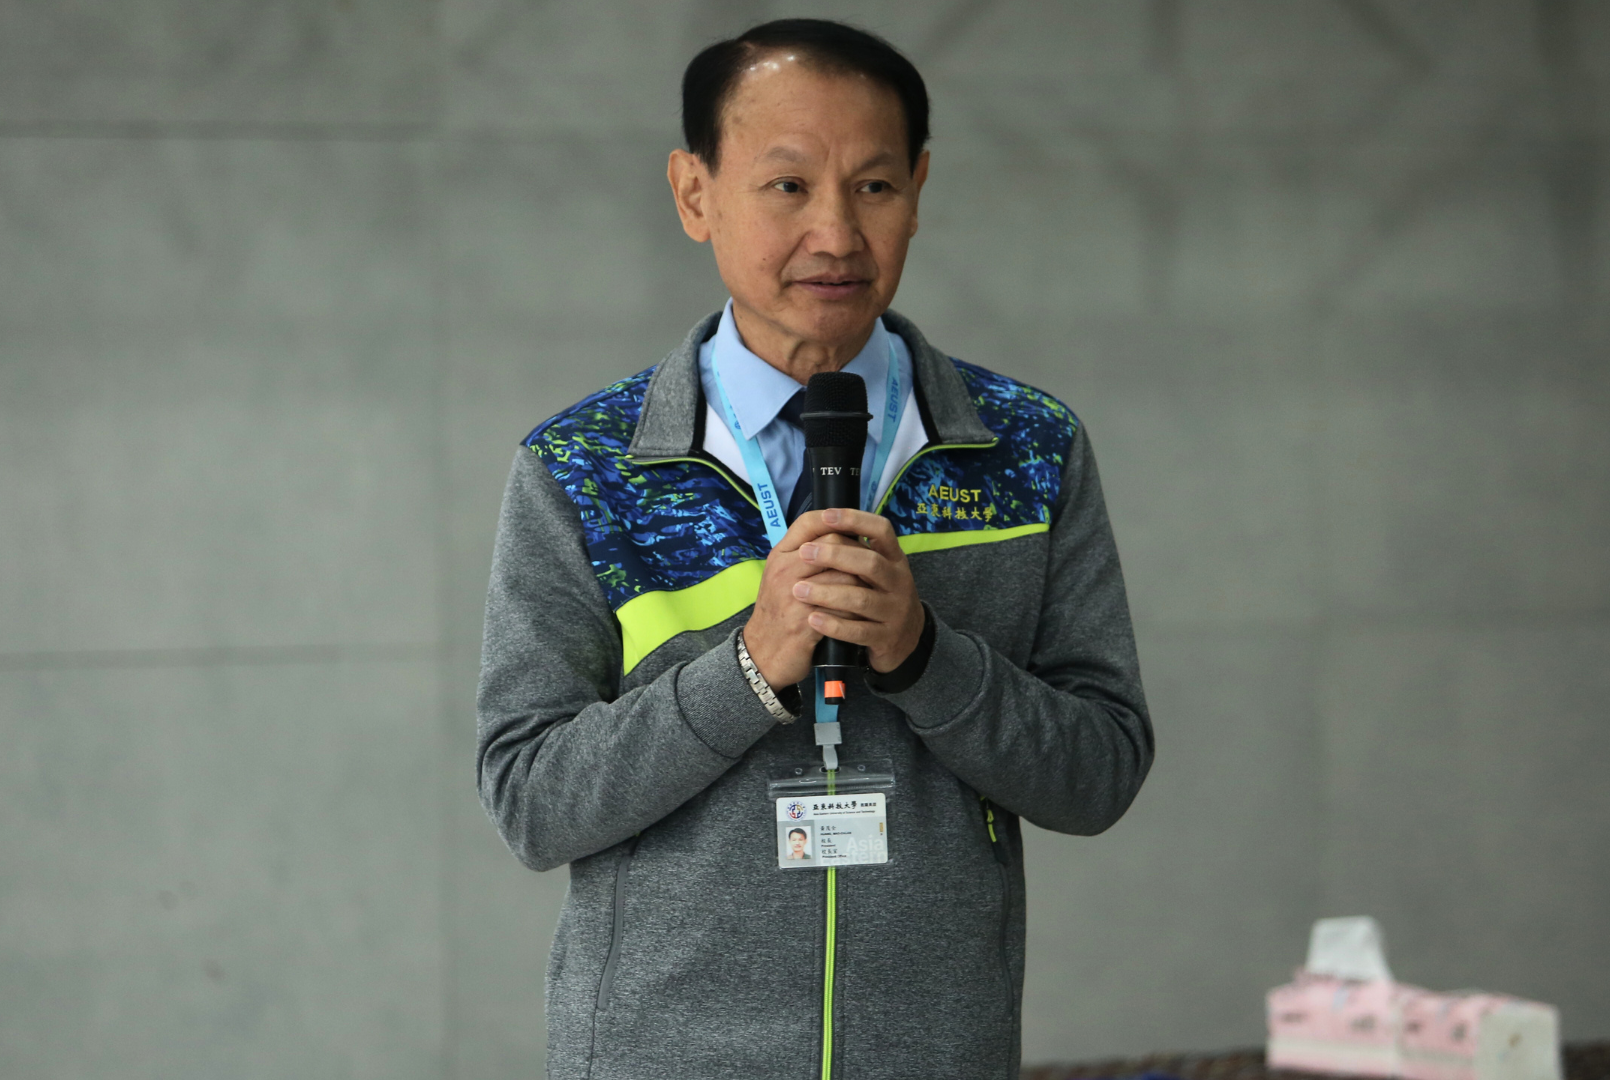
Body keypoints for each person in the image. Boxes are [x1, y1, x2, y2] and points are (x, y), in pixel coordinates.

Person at [478, 18, 1151, 1080]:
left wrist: (927, 657)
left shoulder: (1024, 450)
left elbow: (1098, 773)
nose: (836, 233)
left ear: (918, 191)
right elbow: (532, 799)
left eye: (874, 187)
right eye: (787, 186)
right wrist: (747, 670)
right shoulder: (586, 467)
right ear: (694, 194)